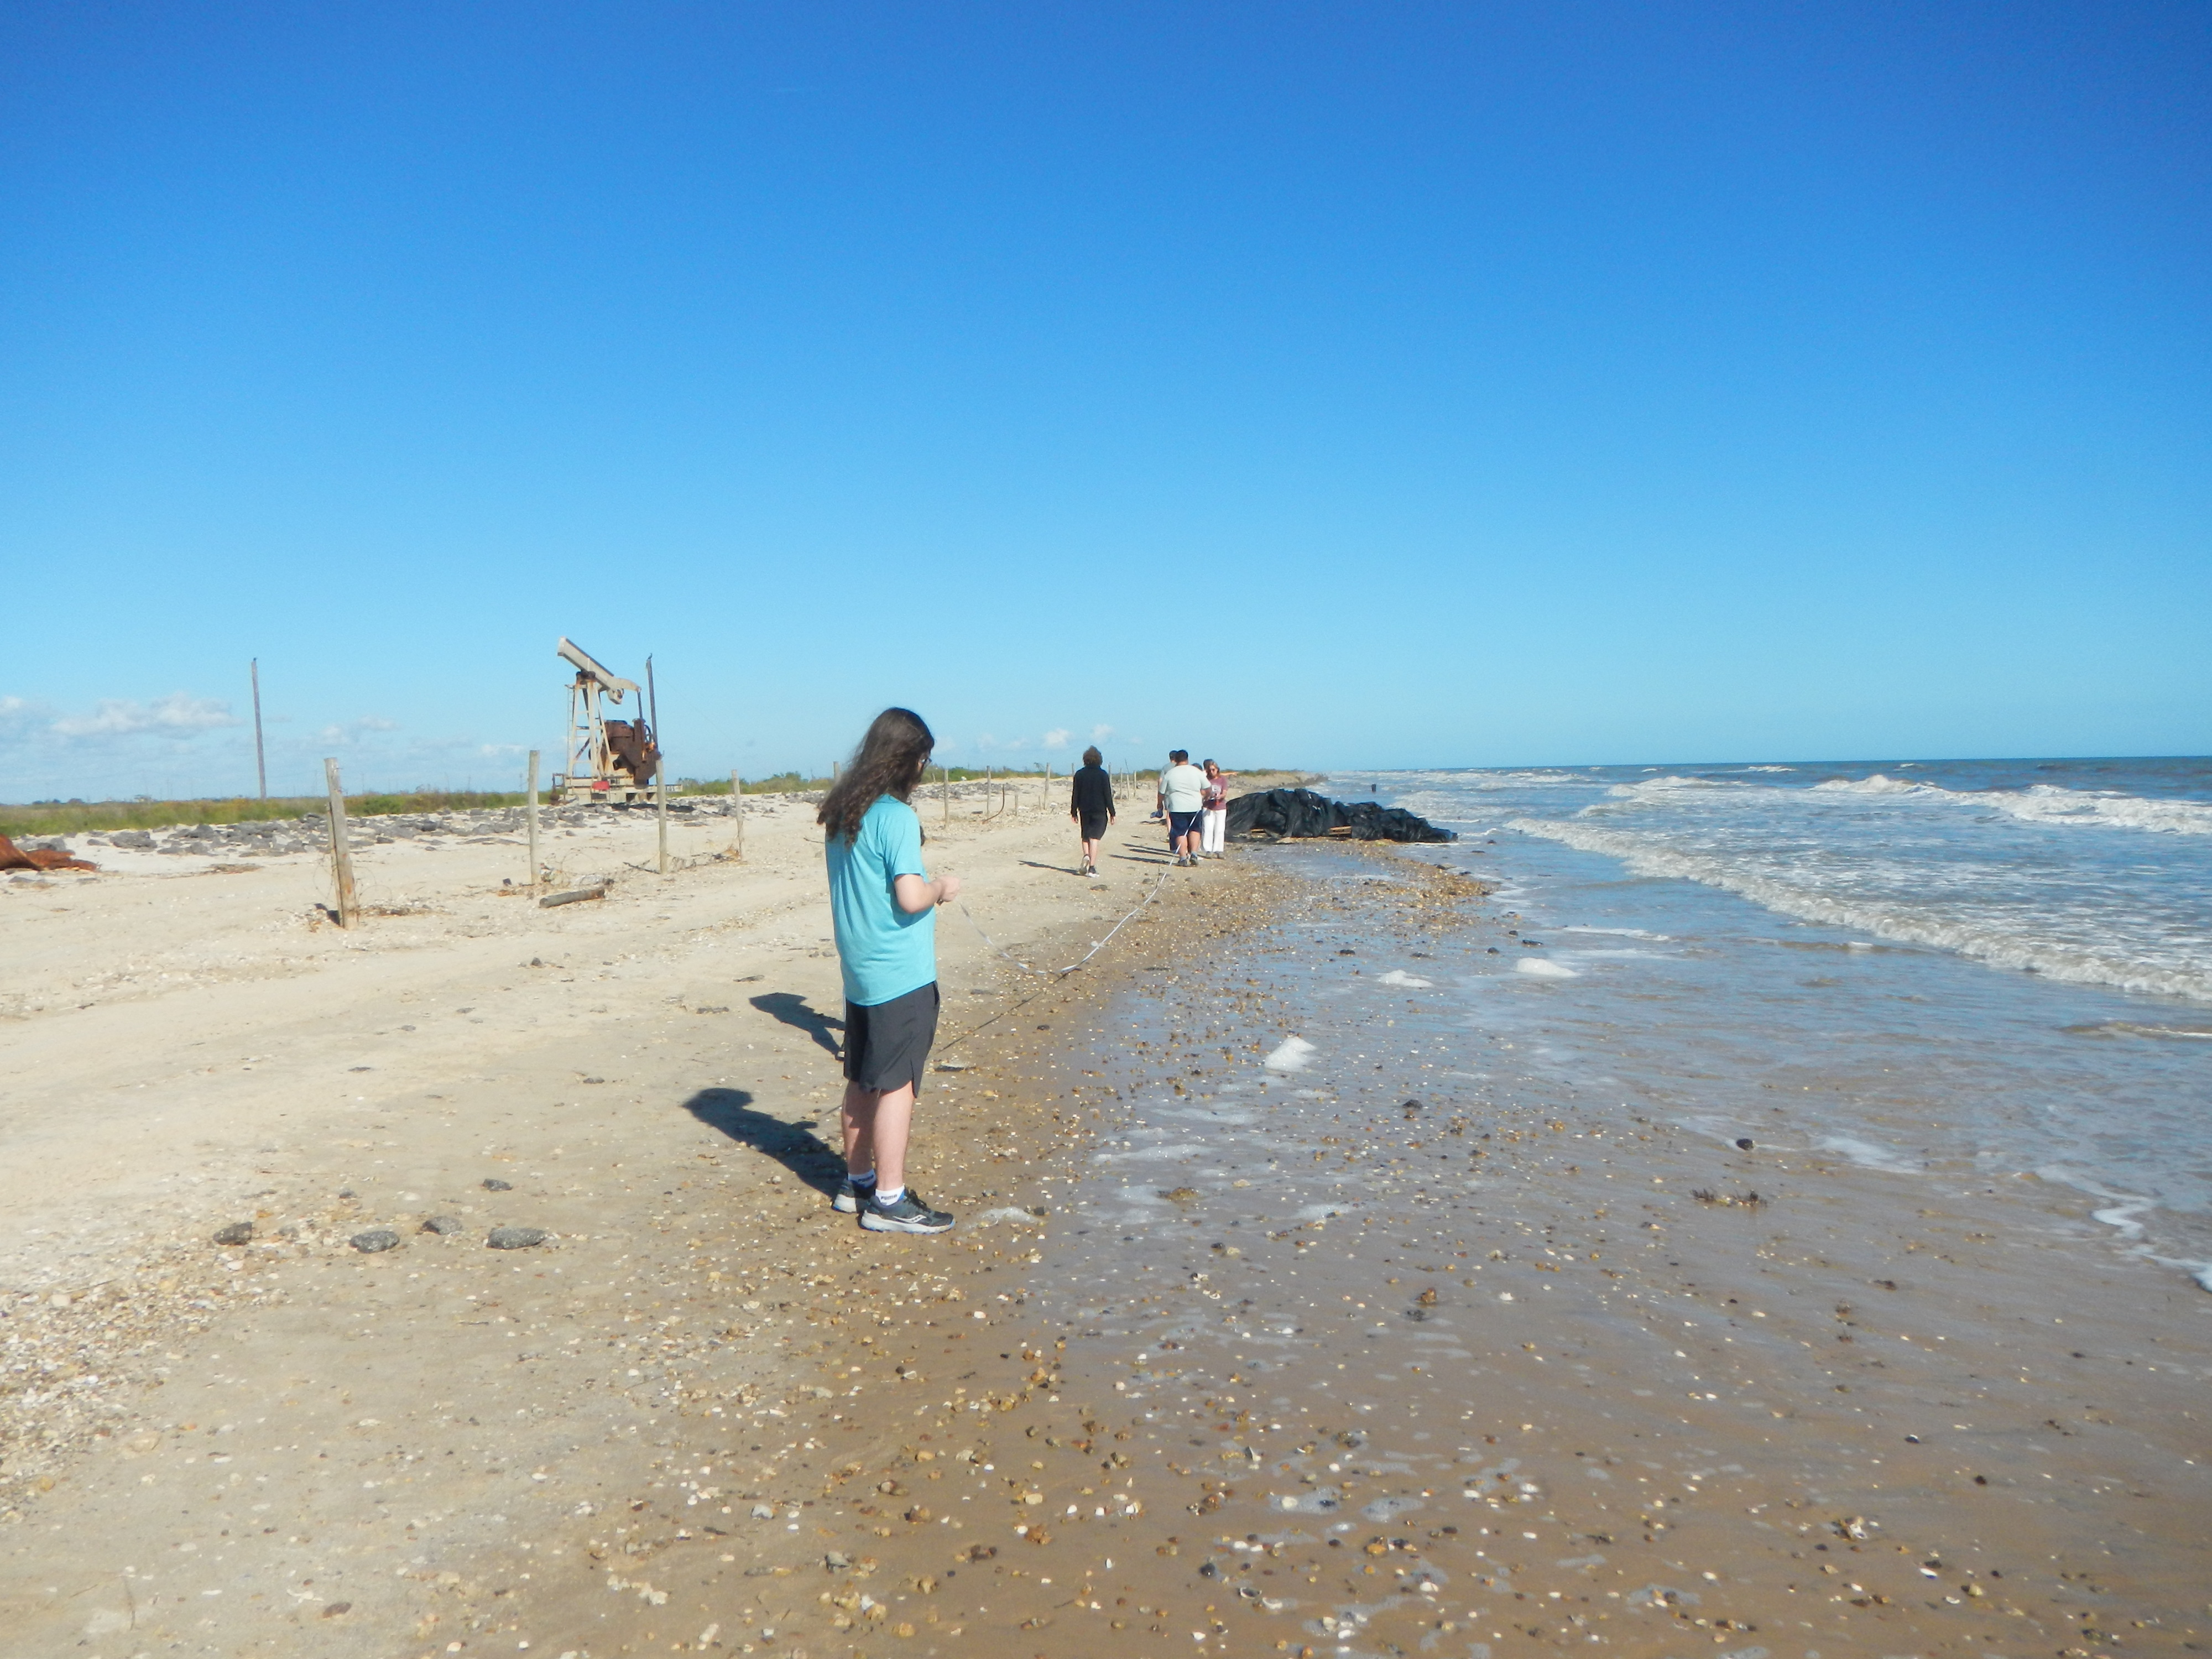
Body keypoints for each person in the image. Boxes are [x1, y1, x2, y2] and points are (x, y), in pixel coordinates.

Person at [817, 707, 961, 1234]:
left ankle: (855, 1182)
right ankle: (888, 1199)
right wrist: (941, 887)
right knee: (897, 1084)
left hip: (860, 973)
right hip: (899, 972)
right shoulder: (896, 816)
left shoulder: (843, 811)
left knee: (861, 1077)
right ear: (908, 760)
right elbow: (909, 896)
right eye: (923, 759)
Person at [1068, 745, 1115, 878]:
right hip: (1099, 810)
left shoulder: (1079, 774)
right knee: (1095, 838)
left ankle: (1087, 855)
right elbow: (1108, 795)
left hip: (1084, 809)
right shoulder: (1103, 774)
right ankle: (1092, 868)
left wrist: (1073, 812)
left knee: (1085, 836)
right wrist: (1112, 813)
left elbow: (1075, 794)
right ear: (1099, 760)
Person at [1159, 749, 1208, 867]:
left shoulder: (1170, 773)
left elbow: (1161, 792)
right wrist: (1205, 797)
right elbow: (1208, 788)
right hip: (1195, 806)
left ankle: (1183, 858)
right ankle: (1194, 854)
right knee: (1195, 830)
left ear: (1175, 760)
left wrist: (1159, 804)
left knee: (1180, 832)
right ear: (1187, 759)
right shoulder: (1196, 772)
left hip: (1177, 806)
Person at [1200, 759, 1235, 858]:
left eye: (1214, 770)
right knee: (1208, 828)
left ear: (1217, 769)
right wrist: (1208, 796)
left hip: (1220, 807)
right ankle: (1208, 850)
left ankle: (1219, 850)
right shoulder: (1206, 779)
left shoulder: (1222, 779)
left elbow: (1224, 792)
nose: (1212, 772)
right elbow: (1202, 792)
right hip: (1208, 807)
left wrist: (1220, 796)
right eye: (1210, 770)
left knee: (1220, 829)